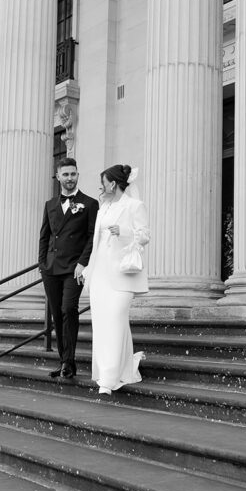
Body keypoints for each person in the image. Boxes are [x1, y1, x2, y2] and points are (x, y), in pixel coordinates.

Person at [82, 164, 150, 396]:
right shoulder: (103, 209)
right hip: (100, 273)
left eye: (103, 182)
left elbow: (144, 235)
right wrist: (87, 269)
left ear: (112, 183)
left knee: (116, 319)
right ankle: (114, 371)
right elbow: (96, 244)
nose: (101, 186)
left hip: (123, 274)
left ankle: (108, 380)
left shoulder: (134, 206)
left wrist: (124, 232)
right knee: (102, 324)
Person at [38, 158, 99, 379]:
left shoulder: (90, 204)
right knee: (56, 313)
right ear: (58, 177)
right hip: (51, 268)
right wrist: (41, 263)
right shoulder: (50, 204)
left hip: (75, 268)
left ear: (77, 175)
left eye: (73, 174)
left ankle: (69, 361)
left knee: (68, 309)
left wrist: (83, 262)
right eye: (66, 174)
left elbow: (93, 236)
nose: (70, 178)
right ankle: (63, 360)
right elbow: (44, 236)